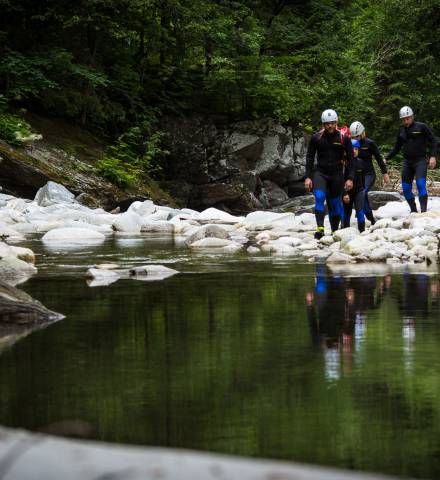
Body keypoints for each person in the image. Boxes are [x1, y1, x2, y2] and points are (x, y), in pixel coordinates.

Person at [305, 109, 354, 239]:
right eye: (327, 124)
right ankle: (320, 229)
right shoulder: (316, 138)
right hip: (320, 173)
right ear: (323, 124)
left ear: (336, 122)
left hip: (337, 174)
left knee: (335, 204)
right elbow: (310, 157)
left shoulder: (344, 138)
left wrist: (350, 178)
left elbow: (351, 160)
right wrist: (308, 177)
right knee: (320, 197)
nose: (330, 126)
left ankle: (334, 231)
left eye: (332, 123)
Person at [386, 106, 437, 213]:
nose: (406, 121)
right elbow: (396, 148)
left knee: (420, 185)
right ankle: (413, 211)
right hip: (407, 162)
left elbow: (433, 141)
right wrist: (386, 158)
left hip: (420, 161)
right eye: (404, 119)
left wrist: (433, 156)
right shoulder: (401, 131)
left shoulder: (422, 127)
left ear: (412, 117)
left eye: (408, 118)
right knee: (405, 189)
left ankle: (423, 212)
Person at [349, 121, 390, 224]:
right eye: (353, 137)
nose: (356, 139)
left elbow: (379, 159)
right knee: (362, 196)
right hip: (356, 175)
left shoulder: (369, 143)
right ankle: (371, 220)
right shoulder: (351, 144)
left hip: (368, 174)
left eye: (357, 136)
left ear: (362, 133)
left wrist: (385, 174)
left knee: (362, 192)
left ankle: (361, 217)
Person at [342, 139, 366, 232]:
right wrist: (344, 193)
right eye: (352, 149)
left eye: (356, 149)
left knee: (360, 211)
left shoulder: (361, 162)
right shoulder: (343, 163)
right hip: (347, 192)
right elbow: (340, 180)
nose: (354, 151)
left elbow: (363, 178)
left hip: (359, 191)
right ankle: (345, 231)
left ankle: (362, 232)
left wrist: (364, 190)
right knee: (347, 213)